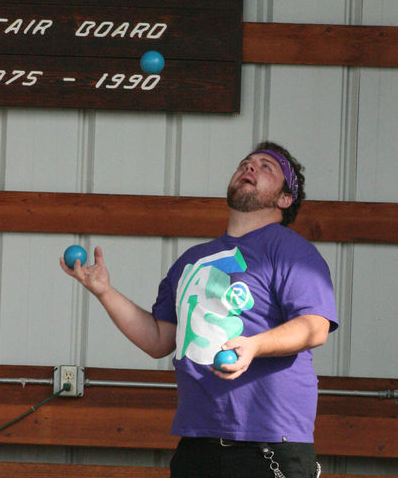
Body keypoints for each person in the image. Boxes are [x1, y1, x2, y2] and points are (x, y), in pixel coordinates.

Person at [60, 141, 338, 478]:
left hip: (269, 443)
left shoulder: (293, 251)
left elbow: (315, 326)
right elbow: (159, 340)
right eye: (246, 163)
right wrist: (104, 292)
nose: (249, 167)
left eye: (266, 166)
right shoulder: (190, 261)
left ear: (284, 199)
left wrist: (254, 346)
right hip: (198, 443)